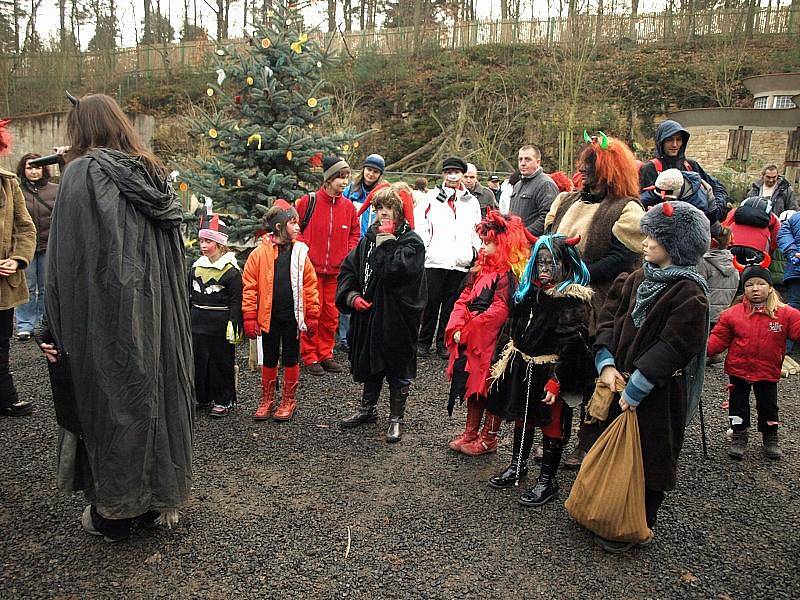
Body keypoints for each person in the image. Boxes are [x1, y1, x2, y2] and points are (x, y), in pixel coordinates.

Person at [39, 93, 193, 542]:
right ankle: (157, 500)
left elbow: (64, 263)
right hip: (158, 316)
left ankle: (116, 513)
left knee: (112, 401)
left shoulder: (82, 174)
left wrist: (51, 325)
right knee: (158, 395)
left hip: (105, 319)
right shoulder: (152, 171)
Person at [590, 200, 710, 552]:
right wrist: (606, 361)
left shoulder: (690, 293)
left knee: (649, 455)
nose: (644, 243)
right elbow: (609, 318)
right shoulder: (637, 278)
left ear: (673, 245)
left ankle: (638, 521)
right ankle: (606, 508)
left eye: (652, 238)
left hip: (657, 393)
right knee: (612, 448)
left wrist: (638, 386)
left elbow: (674, 345)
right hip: (618, 380)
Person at [544, 134, 645, 468]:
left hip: (597, 304)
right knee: (554, 370)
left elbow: (621, 258)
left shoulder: (626, 209)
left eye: (591, 169)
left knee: (590, 374)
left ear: (609, 172)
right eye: (583, 168)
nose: (583, 174)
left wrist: (579, 273)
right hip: (556, 300)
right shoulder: (566, 200)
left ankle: (587, 444)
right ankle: (553, 437)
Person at [486, 234, 595, 507]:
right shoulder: (528, 294)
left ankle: (548, 481)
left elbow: (574, 345)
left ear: (566, 265)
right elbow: (513, 330)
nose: (545, 269)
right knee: (524, 418)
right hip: (524, 366)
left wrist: (557, 381)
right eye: (541, 262)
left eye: (552, 263)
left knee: (551, 423)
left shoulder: (571, 301)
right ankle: (518, 465)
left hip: (550, 372)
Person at [337, 185, 426, 442]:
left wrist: (385, 244)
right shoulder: (368, 239)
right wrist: (352, 297)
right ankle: (367, 409)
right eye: (378, 209)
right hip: (370, 317)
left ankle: (396, 418)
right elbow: (349, 270)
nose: (382, 214)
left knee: (397, 366)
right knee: (371, 362)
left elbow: (395, 273)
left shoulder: (412, 243)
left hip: (398, 319)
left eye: (388, 209)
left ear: (399, 212)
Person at [444, 210, 531, 457]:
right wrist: (456, 324)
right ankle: (471, 431)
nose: (483, 246)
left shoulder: (508, 274)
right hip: (474, 337)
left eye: (488, 241)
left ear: (502, 242)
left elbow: (500, 309)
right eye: (482, 241)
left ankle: (488, 437)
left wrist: (469, 329)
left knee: (491, 387)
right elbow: (465, 296)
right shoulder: (481, 268)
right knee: (472, 384)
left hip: (494, 341)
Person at [707, 257, 800, 460]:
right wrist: (701, 351)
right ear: (744, 289)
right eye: (749, 284)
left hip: (768, 370)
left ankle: (770, 437)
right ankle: (739, 435)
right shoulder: (732, 315)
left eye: (760, 284)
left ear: (770, 287)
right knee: (737, 404)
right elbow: (718, 339)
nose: (755, 288)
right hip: (738, 369)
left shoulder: (786, 315)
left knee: (768, 406)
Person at [242, 200, 320, 422]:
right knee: (269, 357)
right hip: (269, 318)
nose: (298, 227)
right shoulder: (259, 255)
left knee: (290, 357)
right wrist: (249, 316)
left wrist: (312, 316)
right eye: (293, 223)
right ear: (279, 226)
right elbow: (250, 286)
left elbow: (310, 286)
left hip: (292, 318)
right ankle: (267, 399)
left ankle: (288, 399)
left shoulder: (300, 254)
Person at [296, 156, 360, 376]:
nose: (344, 181)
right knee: (312, 313)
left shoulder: (349, 207)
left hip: (336, 272)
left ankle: (325, 353)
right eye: (340, 177)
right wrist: (305, 253)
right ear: (329, 178)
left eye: (346, 177)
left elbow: (355, 233)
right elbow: (296, 230)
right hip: (311, 270)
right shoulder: (308, 201)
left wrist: (347, 254)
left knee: (330, 314)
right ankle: (309, 355)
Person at [414, 156, 481, 359]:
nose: (452, 176)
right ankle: (423, 341)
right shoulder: (431, 197)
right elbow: (421, 224)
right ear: (444, 174)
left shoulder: (471, 201)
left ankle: (444, 342)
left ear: (462, 174)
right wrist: (426, 247)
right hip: (435, 259)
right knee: (431, 303)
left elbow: (477, 229)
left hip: (460, 262)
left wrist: (473, 251)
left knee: (452, 306)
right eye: (449, 172)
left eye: (456, 172)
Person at [0, 120, 37, 418]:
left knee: (1, 343)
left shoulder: (8, 182)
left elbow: (25, 228)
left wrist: (18, 259)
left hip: (5, 283)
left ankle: (5, 398)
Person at [190, 215, 243, 417]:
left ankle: (223, 399)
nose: (203, 245)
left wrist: (234, 323)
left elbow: (236, 301)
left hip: (220, 326)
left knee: (220, 362)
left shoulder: (231, 271)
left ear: (220, 244)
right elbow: (189, 294)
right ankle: (202, 396)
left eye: (208, 241)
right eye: (201, 241)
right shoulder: (196, 267)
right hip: (197, 323)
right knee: (199, 361)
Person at [639, 119, 728, 222]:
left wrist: (715, 211)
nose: (675, 145)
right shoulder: (649, 169)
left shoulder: (690, 165)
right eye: (669, 140)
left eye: (678, 139)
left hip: (695, 224)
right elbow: (639, 203)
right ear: (661, 142)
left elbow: (718, 188)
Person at [15, 153, 57, 341]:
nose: (33, 171)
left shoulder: (55, 190)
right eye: (29, 167)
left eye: (37, 167)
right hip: (26, 247)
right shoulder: (17, 190)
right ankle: (25, 324)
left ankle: (42, 321)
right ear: (23, 170)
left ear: (44, 169)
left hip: (49, 244)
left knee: (46, 286)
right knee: (28, 287)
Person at [697, 224, 739, 334]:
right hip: (724, 313)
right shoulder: (734, 264)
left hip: (704, 313)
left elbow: (697, 286)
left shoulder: (703, 263)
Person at [508, 145, 558, 236]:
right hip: (515, 243)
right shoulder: (517, 185)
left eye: (527, 159)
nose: (523, 163)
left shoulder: (546, 184)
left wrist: (522, 234)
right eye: (520, 159)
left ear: (538, 162)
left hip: (533, 244)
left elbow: (548, 218)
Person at [344, 154, 386, 237]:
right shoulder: (350, 190)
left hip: (372, 240)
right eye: (369, 169)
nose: (371, 174)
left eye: (375, 172)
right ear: (363, 169)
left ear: (380, 175)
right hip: (352, 240)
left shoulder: (383, 193)